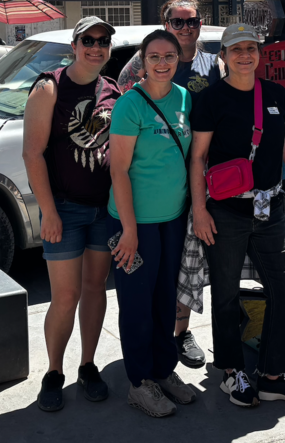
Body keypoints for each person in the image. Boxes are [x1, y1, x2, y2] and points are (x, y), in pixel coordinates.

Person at [190, 24, 285, 409]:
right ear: (223, 56)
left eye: (251, 48)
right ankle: (232, 372)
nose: (244, 55)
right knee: (224, 294)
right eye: (235, 49)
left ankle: (273, 376)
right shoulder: (211, 100)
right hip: (226, 210)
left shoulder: (276, 95)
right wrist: (200, 209)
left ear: (259, 54)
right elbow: (198, 158)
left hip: (270, 206)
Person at [23, 17, 121, 413]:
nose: (96, 47)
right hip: (64, 209)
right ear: (75, 44)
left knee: (95, 289)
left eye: (103, 41)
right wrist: (47, 211)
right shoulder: (50, 86)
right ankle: (54, 372)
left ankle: (87, 365)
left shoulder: (112, 90)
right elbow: (32, 154)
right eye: (88, 40)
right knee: (65, 296)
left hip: (104, 210)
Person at [118, 0, 219, 368]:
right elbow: (123, 99)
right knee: (148, 285)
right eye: (178, 21)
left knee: (186, 265)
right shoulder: (145, 65)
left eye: (192, 21)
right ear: (166, 27)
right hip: (152, 188)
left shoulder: (214, 63)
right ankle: (146, 362)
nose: (186, 27)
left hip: (203, 179)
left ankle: (178, 334)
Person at [108, 30, 195, 417]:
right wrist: (128, 230)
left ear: (179, 59)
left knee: (165, 299)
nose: (162, 63)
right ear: (142, 61)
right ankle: (139, 381)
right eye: (154, 56)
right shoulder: (130, 105)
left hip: (172, 220)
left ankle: (164, 371)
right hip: (136, 224)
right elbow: (119, 170)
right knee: (137, 305)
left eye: (169, 56)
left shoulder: (183, 98)